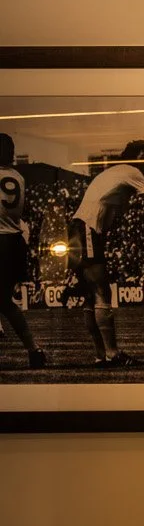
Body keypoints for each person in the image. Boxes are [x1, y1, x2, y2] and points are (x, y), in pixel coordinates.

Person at [71, 139, 144, 367]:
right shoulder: (132, 171)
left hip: (82, 227)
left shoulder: (116, 171)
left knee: (91, 295)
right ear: (136, 156)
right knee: (102, 292)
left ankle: (100, 355)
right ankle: (112, 354)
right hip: (88, 228)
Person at [0, 134, 46, 368]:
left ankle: (34, 349)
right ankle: (34, 350)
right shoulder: (18, 177)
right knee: (5, 302)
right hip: (13, 241)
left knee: (4, 302)